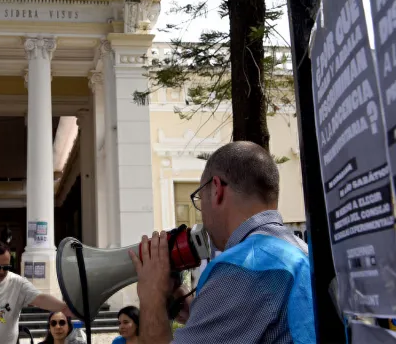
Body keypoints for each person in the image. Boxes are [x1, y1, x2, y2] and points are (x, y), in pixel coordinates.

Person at [129, 141, 316, 343]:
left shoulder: (241, 268)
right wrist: (200, 312)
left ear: (216, 189)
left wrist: (152, 296)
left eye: (200, 199)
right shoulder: (302, 251)